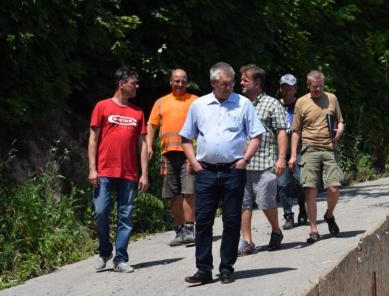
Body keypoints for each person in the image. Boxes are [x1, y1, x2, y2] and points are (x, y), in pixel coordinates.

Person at [179, 62, 265, 284]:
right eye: (223, 84)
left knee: (232, 220)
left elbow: (257, 135)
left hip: (232, 171)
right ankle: (203, 269)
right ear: (213, 83)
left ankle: (226, 268)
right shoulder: (199, 105)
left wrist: (245, 160)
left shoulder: (243, 104)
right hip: (206, 171)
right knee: (203, 221)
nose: (228, 87)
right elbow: (186, 138)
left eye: (231, 83)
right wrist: (194, 163)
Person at [88, 67, 149, 273]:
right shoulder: (102, 106)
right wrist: (92, 169)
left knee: (126, 216)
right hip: (104, 171)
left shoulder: (137, 112)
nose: (137, 86)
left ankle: (120, 258)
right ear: (121, 84)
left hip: (128, 173)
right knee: (100, 212)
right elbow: (93, 139)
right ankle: (105, 251)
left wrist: (144, 174)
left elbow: (143, 145)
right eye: (133, 82)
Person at [237, 64, 288, 255]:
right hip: (241, 163)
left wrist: (281, 158)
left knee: (266, 201)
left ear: (257, 83)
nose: (241, 83)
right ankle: (247, 241)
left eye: (245, 80)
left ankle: (276, 230)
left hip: (265, 162)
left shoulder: (272, 103)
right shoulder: (239, 104)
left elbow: (281, 132)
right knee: (244, 203)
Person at [291, 70, 345, 243]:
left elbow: (340, 121)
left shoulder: (332, 98)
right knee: (310, 188)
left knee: (334, 188)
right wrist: (293, 155)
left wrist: (340, 130)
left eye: (321, 86)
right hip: (310, 149)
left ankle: (329, 215)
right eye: (315, 87)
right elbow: (296, 131)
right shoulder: (301, 102)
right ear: (308, 85)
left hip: (330, 148)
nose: (318, 89)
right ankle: (313, 229)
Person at [146, 69, 198, 247]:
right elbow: (151, 125)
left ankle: (190, 229)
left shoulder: (195, 101)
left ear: (187, 82)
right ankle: (180, 231)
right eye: (177, 81)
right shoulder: (161, 102)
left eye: (183, 81)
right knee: (172, 194)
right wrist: (149, 145)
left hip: (189, 154)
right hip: (167, 154)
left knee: (188, 191)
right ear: (171, 82)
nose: (180, 84)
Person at [277, 73, 307, 229]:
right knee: (283, 185)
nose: (287, 91)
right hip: (281, 153)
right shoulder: (275, 105)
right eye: (284, 88)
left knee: (303, 182)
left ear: (295, 89)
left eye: (290, 88)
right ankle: (288, 216)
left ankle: (303, 208)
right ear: (280, 89)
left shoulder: (301, 105)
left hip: (300, 150)